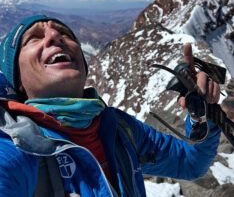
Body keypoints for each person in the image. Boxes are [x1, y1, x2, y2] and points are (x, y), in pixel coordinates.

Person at [0, 15, 221, 197]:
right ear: (17, 79)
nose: (55, 35)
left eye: (65, 33)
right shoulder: (17, 147)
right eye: (33, 38)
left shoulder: (119, 127)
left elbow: (191, 163)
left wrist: (202, 113)